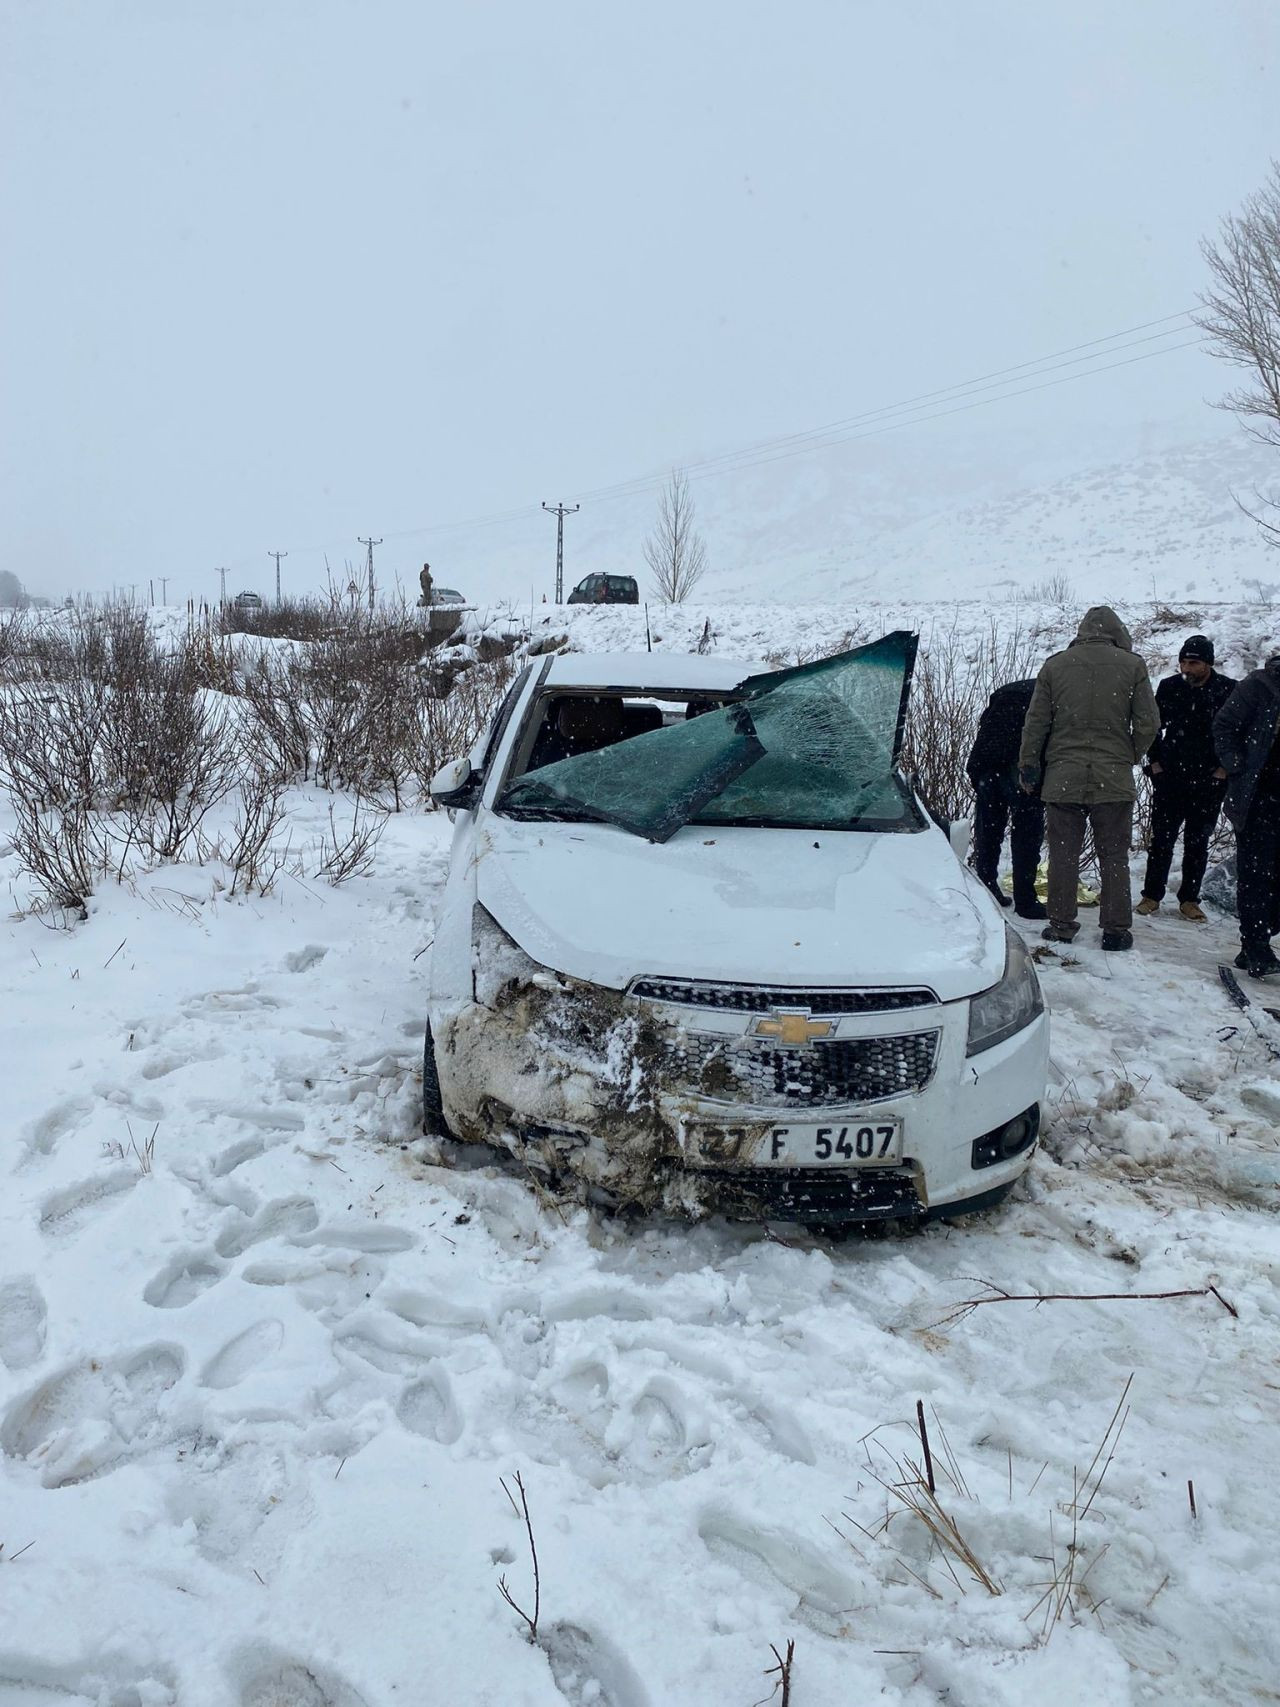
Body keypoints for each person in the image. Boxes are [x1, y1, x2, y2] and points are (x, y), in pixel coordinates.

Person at [1018, 606, 1160, 951]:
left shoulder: (1056, 665)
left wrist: (1029, 764)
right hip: (1113, 777)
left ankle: (1063, 923)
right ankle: (1115, 930)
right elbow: (1149, 723)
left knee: (1064, 853)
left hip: (1063, 775)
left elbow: (1036, 723)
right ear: (1117, 632)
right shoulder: (1133, 665)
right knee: (1114, 855)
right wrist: (1128, 754)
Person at [1136, 635, 1236, 923]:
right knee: (1161, 840)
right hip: (1171, 777)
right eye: (1183, 662)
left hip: (1209, 780)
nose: (1187, 668)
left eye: (1194, 663)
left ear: (1207, 663)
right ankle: (1151, 895)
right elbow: (1152, 726)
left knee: (1197, 842)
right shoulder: (1169, 688)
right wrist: (1154, 762)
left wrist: (1224, 769)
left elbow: (1237, 733)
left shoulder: (1228, 690)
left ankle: (1190, 900)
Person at [1213, 653, 1280, 978]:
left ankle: (1256, 938)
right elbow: (1223, 726)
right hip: (1258, 799)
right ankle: (1256, 946)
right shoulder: (1258, 685)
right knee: (1256, 874)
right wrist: (1237, 765)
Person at [966, 678, 1046, 918]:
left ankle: (986, 888)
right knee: (1027, 834)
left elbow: (985, 723)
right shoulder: (1050, 693)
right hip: (1021, 768)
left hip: (987, 763)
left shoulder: (1009, 689)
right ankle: (1025, 900)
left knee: (988, 829)